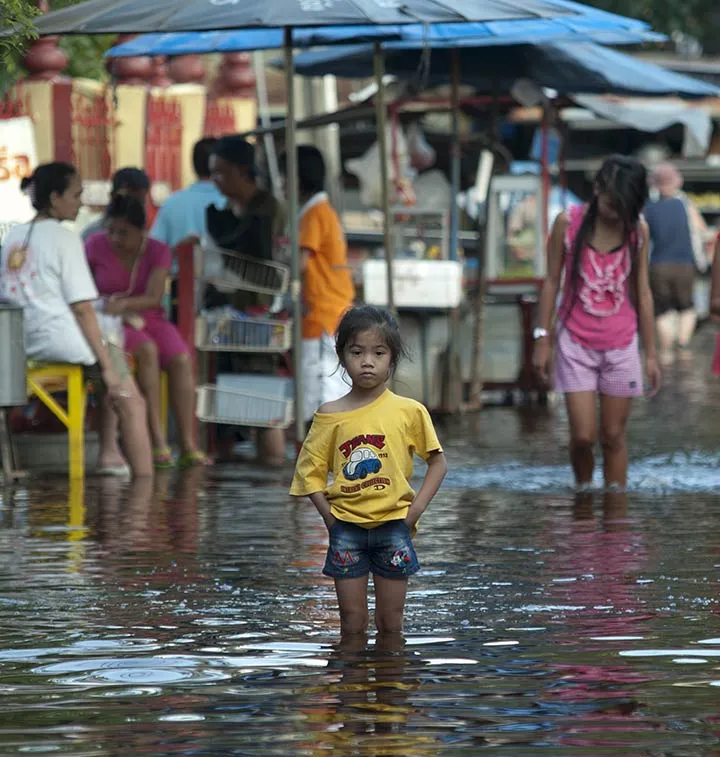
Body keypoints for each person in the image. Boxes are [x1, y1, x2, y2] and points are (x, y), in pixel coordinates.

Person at [290, 306, 447, 637]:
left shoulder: (409, 411)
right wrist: (330, 519)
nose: (367, 361)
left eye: (378, 353)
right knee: (352, 622)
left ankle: (391, 684)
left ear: (392, 358)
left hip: (394, 526)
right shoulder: (329, 414)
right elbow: (308, 472)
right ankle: (353, 686)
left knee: (391, 623)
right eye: (356, 352)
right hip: (346, 528)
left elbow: (438, 462)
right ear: (342, 355)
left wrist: (413, 513)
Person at [0, 162, 152, 478]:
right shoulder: (65, 240)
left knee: (109, 358)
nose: (80, 202)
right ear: (55, 198)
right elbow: (82, 309)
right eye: (76, 195)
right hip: (64, 344)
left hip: (21, 345)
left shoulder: (14, 235)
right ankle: (147, 490)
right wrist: (110, 371)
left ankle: (110, 453)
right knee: (132, 399)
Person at [533, 155, 661, 490]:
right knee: (583, 437)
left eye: (624, 208)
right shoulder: (568, 225)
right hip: (575, 344)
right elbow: (551, 282)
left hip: (622, 346)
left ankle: (617, 515)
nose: (616, 214)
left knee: (613, 435)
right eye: (611, 204)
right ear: (596, 190)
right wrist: (542, 339)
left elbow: (643, 293)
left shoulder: (638, 232)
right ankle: (585, 496)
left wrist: (651, 355)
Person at [86, 194, 207, 469]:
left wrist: (124, 305)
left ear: (142, 231)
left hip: (148, 317)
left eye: (124, 232)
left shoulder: (158, 250)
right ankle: (157, 440)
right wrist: (112, 308)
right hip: (111, 322)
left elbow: (154, 296)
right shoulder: (93, 245)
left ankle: (188, 444)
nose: (116, 238)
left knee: (181, 359)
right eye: (112, 230)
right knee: (147, 351)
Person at [206, 135, 288, 464]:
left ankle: (272, 473)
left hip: (262, 318)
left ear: (242, 172)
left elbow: (278, 266)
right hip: (228, 319)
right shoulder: (225, 211)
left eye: (220, 173)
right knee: (226, 410)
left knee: (262, 402)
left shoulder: (271, 209)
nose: (215, 181)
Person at [281, 145, 355, 422]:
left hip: (322, 315)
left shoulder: (314, 214)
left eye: (285, 178)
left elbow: (298, 264)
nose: (282, 185)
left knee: (320, 395)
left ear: (298, 178)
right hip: (330, 312)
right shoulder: (322, 212)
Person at [644, 163, 710, 365]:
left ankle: (666, 352)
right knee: (686, 306)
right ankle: (682, 345)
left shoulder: (648, 208)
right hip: (684, 264)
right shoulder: (686, 205)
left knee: (662, 309)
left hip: (658, 265)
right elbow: (703, 231)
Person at [150, 137, 225, 249]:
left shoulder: (171, 203)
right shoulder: (229, 202)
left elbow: (154, 249)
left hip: (177, 266)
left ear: (193, 165)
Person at [81, 167, 150, 241]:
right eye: (126, 201)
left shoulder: (147, 236)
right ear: (112, 195)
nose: (133, 208)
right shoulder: (91, 236)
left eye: (140, 201)